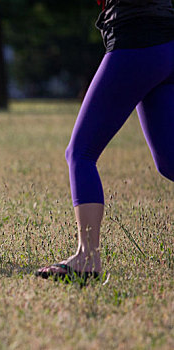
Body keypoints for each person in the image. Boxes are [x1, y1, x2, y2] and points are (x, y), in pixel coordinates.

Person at [36, 0, 174, 280]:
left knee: (80, 153)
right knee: (170, 162)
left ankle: (87, 257)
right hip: (167, 45)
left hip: (136, 42)